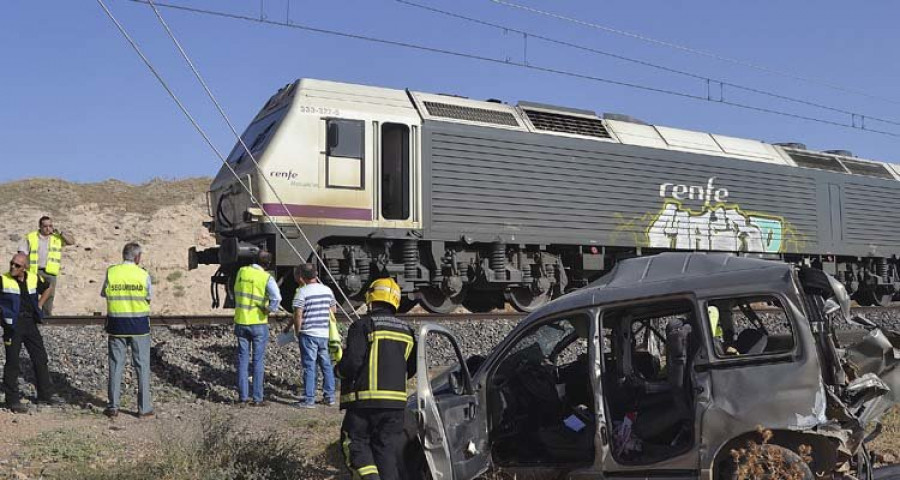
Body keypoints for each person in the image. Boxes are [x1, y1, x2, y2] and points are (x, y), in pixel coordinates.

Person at [337, 277, 416, 480]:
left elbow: (353, 362)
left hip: (364, 403)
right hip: (396, 406)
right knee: (386, 450)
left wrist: (339, 371)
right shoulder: (407, 331)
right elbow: (412, 368)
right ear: (396, 301)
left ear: (370, 298)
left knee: (354, 443)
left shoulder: (363, 325)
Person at [1, 253, 63, 413]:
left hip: (30, 323)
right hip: (12, 326)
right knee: (12, 363)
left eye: (17, 265)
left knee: (40, 358)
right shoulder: (3, 280)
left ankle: (46, 394)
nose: (13, 267)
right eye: (12, 263)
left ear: (25, 267)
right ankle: (12, 400)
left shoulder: (33, 278)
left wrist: (40, 305)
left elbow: (49, 287)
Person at [101, 242, 153, 418]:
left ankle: (113, 406)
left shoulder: (112, 272)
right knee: (142, 366)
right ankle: (144, 408)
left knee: (115, 365)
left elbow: (104, 294)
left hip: (116, 325)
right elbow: (148, 297)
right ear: (137, 257)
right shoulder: (143, 274)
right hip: (139, 326)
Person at [233, 251, 281, 406]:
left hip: (241, 321)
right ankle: (258, 398)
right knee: (258, 360)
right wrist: (269, 309)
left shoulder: (242, 271)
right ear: (267, 264)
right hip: (258, 323)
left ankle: (243, 397)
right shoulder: (266, 277)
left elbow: (235, 291)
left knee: (242, 360)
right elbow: (277, 298)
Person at [287, 263, 337, 408]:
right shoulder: (327, 290)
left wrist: (297, 330)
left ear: (302, 278)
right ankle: (330, 397)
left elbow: (298, 314)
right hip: (323, 333)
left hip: (308, 334)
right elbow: (333, 309)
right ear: (315, 275)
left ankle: (309, 399)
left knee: (309, 366)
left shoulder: (302, 292)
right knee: (326, 365)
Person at [18, 216, 75, 316]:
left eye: (50, 226)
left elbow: (71, 242)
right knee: (32, 294)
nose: (48, 228)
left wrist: (61, 233)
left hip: (50, 272)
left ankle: (46, 316)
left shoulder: (56, 238)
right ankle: (32, 315)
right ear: (40, 226)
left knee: (50, 295)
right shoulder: (31, 237)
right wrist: (25, 265)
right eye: (45, 226)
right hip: (34, 271)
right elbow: (22, 252)